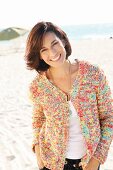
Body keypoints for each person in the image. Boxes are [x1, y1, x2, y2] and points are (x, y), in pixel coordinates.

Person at [24, 21, 113, 170]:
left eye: (54, 44)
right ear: (38, 55)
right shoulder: (38, 87)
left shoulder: (93, 74)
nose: (52, 53)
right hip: (51, 162)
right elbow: (38, 119)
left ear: (63, 40)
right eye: (43, 50)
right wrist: (38, 151)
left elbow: (109, 118)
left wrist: (96, 159)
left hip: (89, 162)